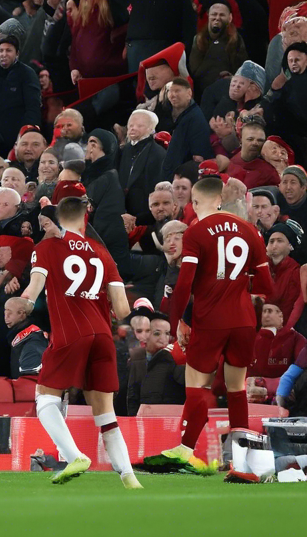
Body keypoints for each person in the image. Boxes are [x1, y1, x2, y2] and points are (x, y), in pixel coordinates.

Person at [148, 176, 273, 473]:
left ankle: (185, 451)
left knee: (197, 386)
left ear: (194, 203)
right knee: (236, 388)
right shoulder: (250, 231)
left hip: (210, 319)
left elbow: (184, 286)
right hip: (243, 320)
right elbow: (266, 284)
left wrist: (178, 322)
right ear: (221, 198)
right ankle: (242, 466)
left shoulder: (196, 232)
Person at [21, 196, 140, 489]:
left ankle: (74, 456)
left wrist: (19, 302)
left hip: (70, 334)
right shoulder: (102, 253)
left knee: (45, 400)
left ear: (59, 220)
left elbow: (33, 291)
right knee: (106, 414)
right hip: (103, 337)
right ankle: (129, 478)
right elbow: (123, 310)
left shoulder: (47, 248)